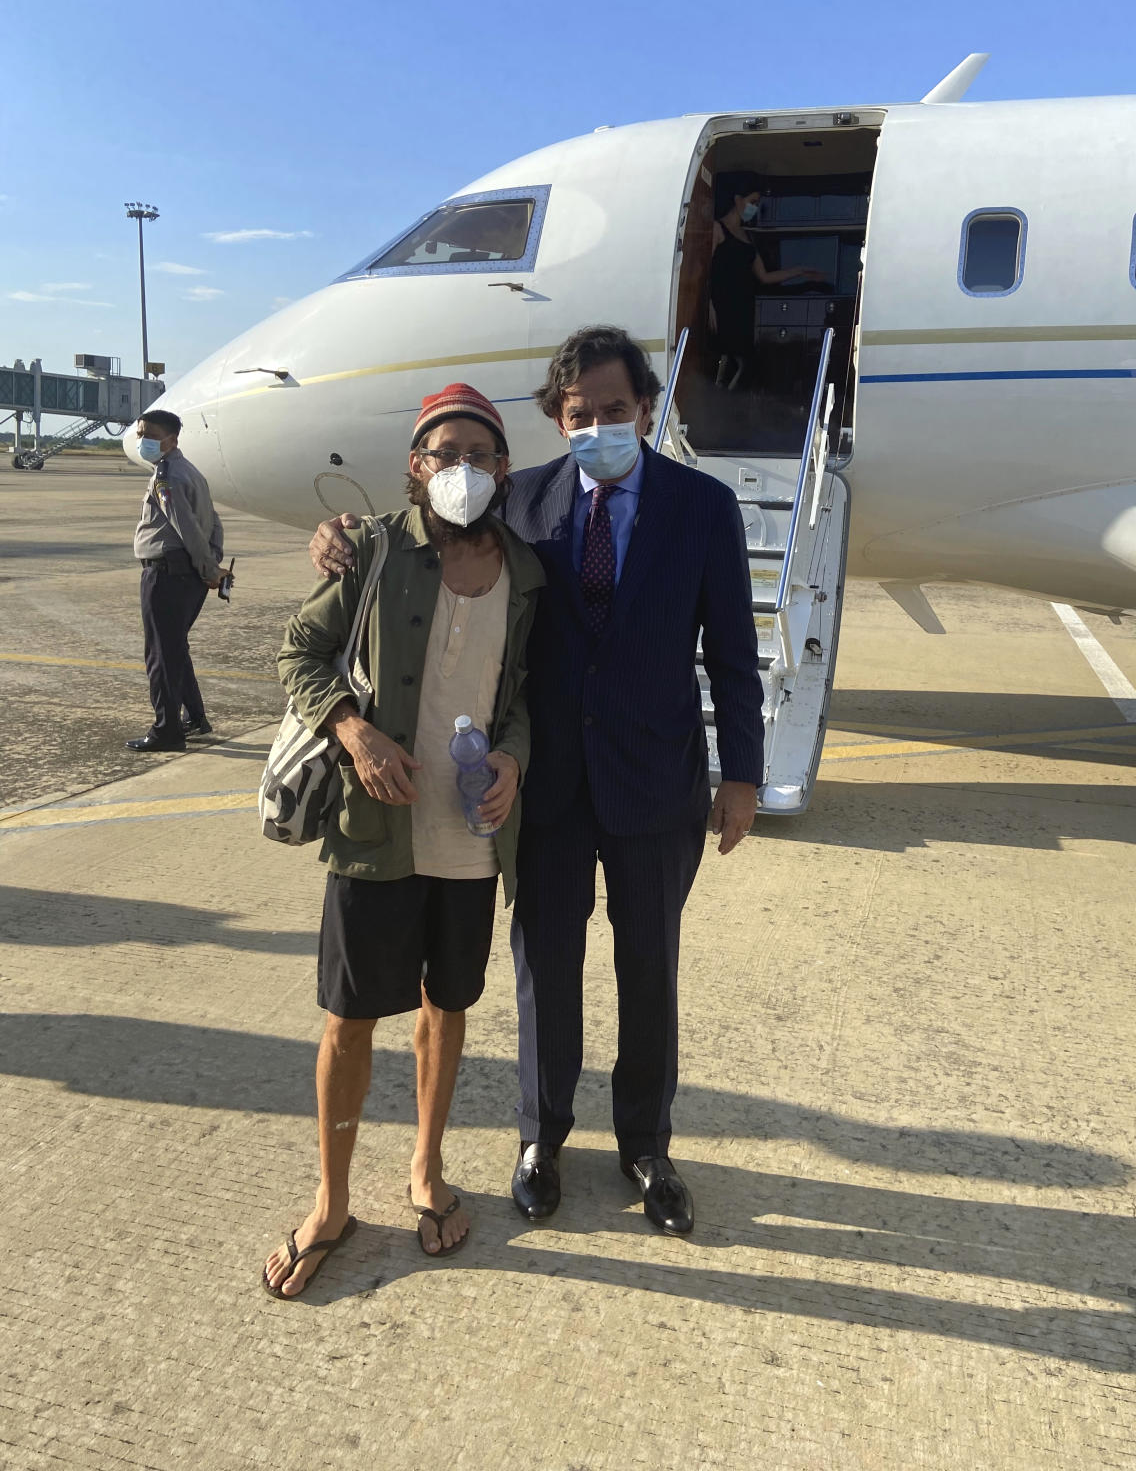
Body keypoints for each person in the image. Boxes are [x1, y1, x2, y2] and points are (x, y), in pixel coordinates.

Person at [310, 327, 764, 1238]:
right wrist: (339, 537)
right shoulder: (518, 502)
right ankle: (541, 1137)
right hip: (544, 787)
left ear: (647, 409)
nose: (599, 424)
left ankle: (646, 1143)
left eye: (616, 410)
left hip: (654, 784)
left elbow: (734, 655)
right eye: (580, 413)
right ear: (558, 421)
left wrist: (742, 774)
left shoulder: (704, 507)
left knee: (650, 966)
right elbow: (424, 521)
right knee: (543, 968)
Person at [263, 385, 544, 1298]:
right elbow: (299, 652)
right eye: (442, 453)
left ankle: (426, 1167)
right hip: (373, 829)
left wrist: (511, 756)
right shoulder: (373, 549)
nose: (461, 469)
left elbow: (530, 699)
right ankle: (332, 1199)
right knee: (349, 1020)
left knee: (447, 1005)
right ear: (415, 467)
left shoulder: (528, 575)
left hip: (469, 837)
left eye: (479, 453)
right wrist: (353, 731)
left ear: (504, 469)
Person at [127, 410, 229, 753]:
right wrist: (210, 563)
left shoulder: (167, 475)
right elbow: (213, 523)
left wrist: (209, 568)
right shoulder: (192, 472)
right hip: (187, 576)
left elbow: (185, 525)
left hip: (167, 574)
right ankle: (194, 717)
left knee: (160, 655)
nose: (143, 441)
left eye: (149, 435)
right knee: (174, 649)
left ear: (171, 439)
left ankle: (167, 730)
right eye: (141, 433)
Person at [710, 173, 820, 391]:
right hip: (723, 304)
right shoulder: (717, 229)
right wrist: (709, 305)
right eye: (752, 202)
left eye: (757, 203)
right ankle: (721, 402)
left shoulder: (747, 236)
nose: (754, 207)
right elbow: (704, 271)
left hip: (744, 306)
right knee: (731, 359)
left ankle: (729, 403)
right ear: (737, 200)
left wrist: (799, 271)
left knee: (745, 360)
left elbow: (765, 276)